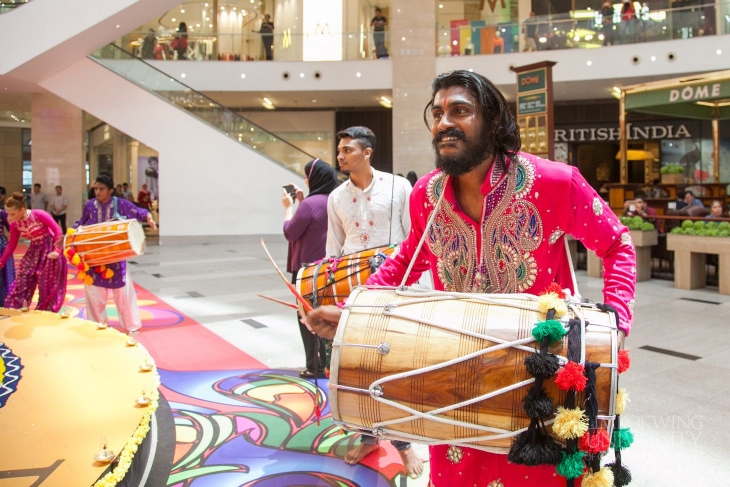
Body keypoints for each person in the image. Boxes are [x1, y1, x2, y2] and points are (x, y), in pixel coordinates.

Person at [305, 70, 636, 487]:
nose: (444, 122)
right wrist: (353, 312)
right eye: (438, 113)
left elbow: (617, 244)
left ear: (493, 122)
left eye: (460, 111)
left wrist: (617, 321)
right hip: (453, 381)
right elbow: (410, 257)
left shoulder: (554, 183)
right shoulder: (427, 194)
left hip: (539, 381)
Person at [325, 126, 422, 477]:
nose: (340, 156)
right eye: (339, 150)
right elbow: (333, 253)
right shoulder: (336, 197)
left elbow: (413, 241)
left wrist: (414, 291)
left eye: (347, 150)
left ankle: (404, 443)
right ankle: (368, 435)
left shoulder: (399, 187)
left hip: (394, 293)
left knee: (393, 367)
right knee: (358, 364)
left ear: (367, 153)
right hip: (357, 295)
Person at [75, 174, 157, 335]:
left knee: (122, 293)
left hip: (115, 256)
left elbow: (139, 211)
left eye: (102, 189)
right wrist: (71, 233)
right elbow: (81, 222)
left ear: (110, 190)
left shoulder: (120, 204)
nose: (98, 192)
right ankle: (96, 324)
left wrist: (148, 217)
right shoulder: (90, 205)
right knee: (94, 291)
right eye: (96, 189)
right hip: (95, 256)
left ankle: (131, 325)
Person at [282, 159, 339, 379]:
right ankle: (327, 364)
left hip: (306, 272)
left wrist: (289, 208)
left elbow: (290, 232)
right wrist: (301, 200)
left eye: (307, 175)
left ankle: (313, 366)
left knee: (307, 316)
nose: (305, 179)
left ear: (314, 178)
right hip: (328, 270)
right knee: (326, 316)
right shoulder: (333, 200)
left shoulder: (308, 205)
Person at [0, 192, 67, 312]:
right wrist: (1, 263)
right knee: (23, 278)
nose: (9, 217)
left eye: (12, 214)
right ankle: (15, 309)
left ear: (22, 209)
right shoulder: (15, 224)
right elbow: (11, 245)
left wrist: (57, 251)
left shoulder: (38, 214)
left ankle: (45, 314)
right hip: (34, 250)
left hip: (49, 249)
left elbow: (57, 229)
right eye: (8, 214)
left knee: (46, 284)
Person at [0, 188, 16, 304]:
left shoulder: (2, 213)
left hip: (1, 247)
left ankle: (5, 300)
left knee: (5, 274)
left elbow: (13, 230)